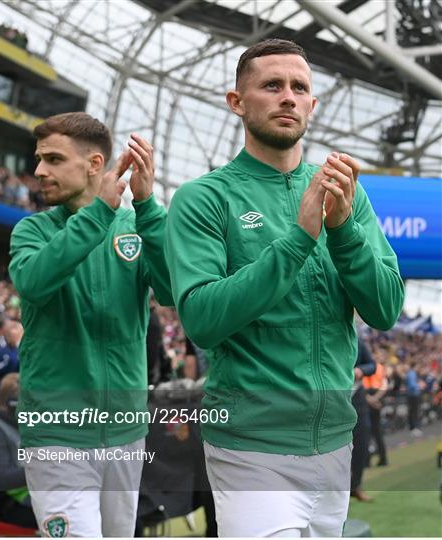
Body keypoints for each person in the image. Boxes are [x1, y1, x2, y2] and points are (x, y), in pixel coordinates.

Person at [165, 39, 404, 537]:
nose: (288, 97)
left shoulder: (345, 192)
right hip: (252, 448)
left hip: (336, 441)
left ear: (313, 105)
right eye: (272, 85)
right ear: (237, 102)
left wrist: (343, 231)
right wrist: (299, 238)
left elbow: (385, 308)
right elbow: (203, 320)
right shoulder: (203, 198)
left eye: (299, 88)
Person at [8, 112, 172, 537]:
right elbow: (34, 282)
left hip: (126, 430)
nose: (40, 170)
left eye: (54, 159)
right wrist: (100, 213)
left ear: (94, 165)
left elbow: (174, 294)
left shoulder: (136, 226)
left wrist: (149, 208)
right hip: (56, 433)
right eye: (39, 159)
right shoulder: (32, 231)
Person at [0, 373, 37, 529]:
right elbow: (1, 479)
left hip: (32, 499)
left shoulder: (18, 426)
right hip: (13, 508)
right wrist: (44, 469)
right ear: (13, 405)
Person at [350, 340, 376, 503]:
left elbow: (372, 365)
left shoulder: (358, 342)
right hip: (334, 397)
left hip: (357, 397)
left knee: (362, 443)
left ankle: (356, 486)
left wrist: (360, 370)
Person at [363, 349, 389, 466]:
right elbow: (384, 386)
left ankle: (367, 460)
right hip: (377, 397)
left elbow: (361, 385)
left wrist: (370, 399)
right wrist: (376, 399)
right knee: (377, 431)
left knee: (366, 431)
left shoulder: (368, 366)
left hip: (368, 397)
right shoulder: (381, 368)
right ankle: (383, 459)